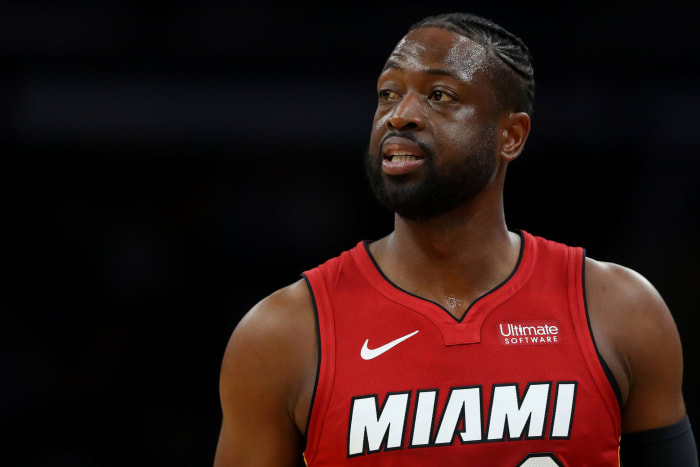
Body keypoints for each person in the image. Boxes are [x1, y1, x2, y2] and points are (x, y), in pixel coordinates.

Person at [213, 12, 697, 466]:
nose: (399, 115)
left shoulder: (621, 310)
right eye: (387, 94)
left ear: (510, 136)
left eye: (439, 95)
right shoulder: (281, 335)